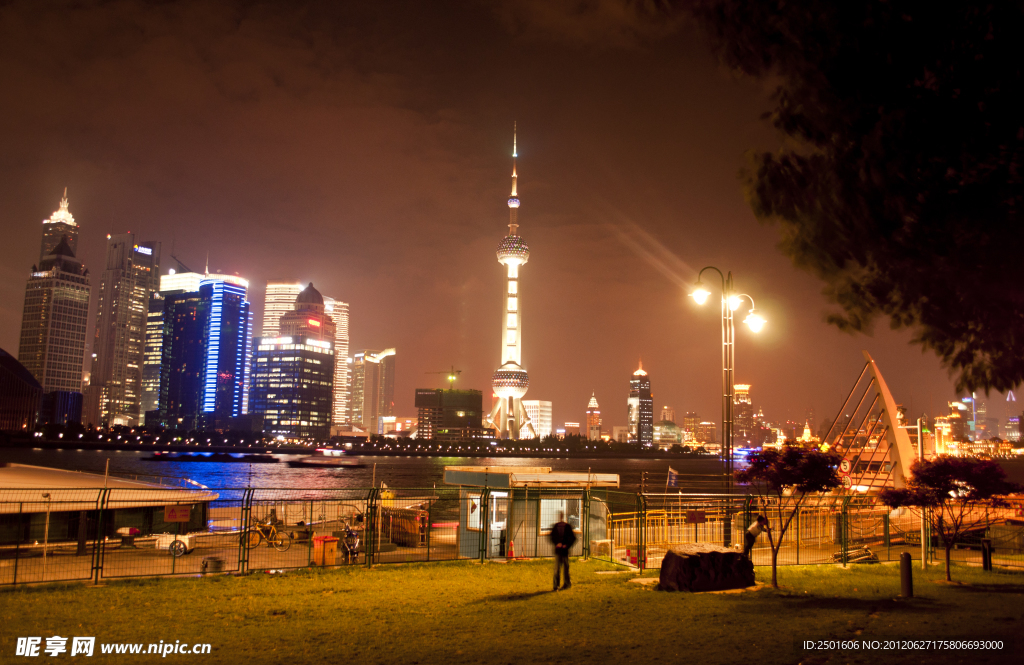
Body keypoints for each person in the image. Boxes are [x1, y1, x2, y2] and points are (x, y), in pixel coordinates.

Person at [549, 511, 577, 591]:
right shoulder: (566, 526)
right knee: (562, 568)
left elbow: (552, 537)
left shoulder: (558, 526)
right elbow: (573, 538)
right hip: (562, 551)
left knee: (561, 568)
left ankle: (560, 585)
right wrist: (565, 545)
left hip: (562, 551)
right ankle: (564, 584)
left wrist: (562, 544)